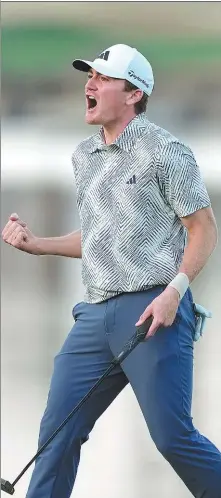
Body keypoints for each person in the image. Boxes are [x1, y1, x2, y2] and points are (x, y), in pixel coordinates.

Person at [2, 44, 221, 498]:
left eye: (103, 78)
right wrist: (38, 244)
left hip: (153, 312)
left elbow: (203, 230)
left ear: (134, 94)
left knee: (173, 439)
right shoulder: (84, 156)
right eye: (89, 76)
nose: (90, 84)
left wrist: (174, 292)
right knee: (55, 438)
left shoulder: (166, 151)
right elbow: (98, 237)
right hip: (94, 317)